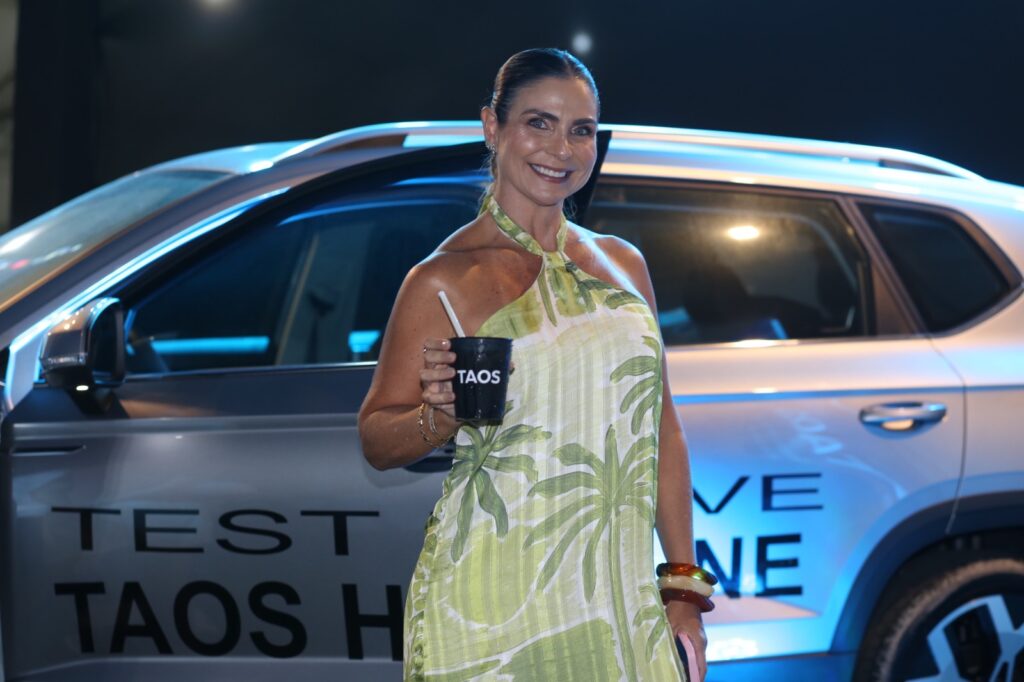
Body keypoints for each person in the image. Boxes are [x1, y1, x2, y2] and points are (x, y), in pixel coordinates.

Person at [358, 48, 710, 681]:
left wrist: (683, 587)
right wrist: (440, 418)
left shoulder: (624, 265)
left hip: (617, 602)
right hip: (492, 608)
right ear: (492, 126)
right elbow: (377, 439)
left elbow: (663, 428)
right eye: (538, 123)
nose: (561, 149)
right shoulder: (442, 279)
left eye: (581, 130)